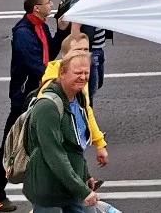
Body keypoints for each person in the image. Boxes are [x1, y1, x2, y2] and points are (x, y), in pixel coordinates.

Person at [0, 0, 64, 212]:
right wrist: (58, 79)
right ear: (37, 8)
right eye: (48, 2)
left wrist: (60, 33)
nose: (51, 4)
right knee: (11, 145)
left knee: (42, 143)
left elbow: (48, 54)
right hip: (24, 98)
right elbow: (36, 65)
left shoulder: (40, 26)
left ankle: (51, 193)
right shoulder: (23, 32)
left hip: (36, 93)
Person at [21, 51, 98, 213]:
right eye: (78, 73)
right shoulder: (47, 107)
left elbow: (76, 145)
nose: (83, 77)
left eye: (86, 73)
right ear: (62, 73)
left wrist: (85, 174)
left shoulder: (78, 98)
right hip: (49, 190)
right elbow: (54, 154)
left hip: (70, 185)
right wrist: (82, 190)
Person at [37, 34, 108, 171]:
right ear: (65, 55)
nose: (83, 54)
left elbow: (87, 111)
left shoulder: (79, 76)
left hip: (75, 151)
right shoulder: (50, 89)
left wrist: (100, 144)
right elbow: (51, 149)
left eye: (86, 50)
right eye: (78, 50)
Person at [56, 0, 109, 99]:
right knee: (88, 91)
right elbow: (75, 29)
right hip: (92, 51)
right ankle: (85, 115)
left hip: (99, 49)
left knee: (96, 85)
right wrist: (81, 54)